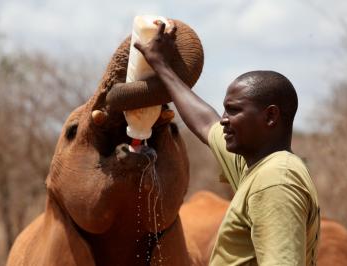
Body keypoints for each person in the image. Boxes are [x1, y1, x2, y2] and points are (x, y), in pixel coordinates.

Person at [134, 21, 320, 265]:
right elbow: (205, 122)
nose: (223, 120)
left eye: (234, 111)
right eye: (224, 110)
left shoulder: (275, 180)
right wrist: (161, 66)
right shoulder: (256, 166)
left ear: (270, 116)